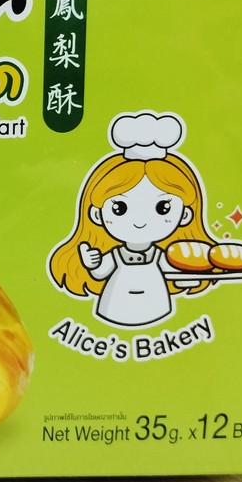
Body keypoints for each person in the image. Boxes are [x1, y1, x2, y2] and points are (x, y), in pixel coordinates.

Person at [48, 112, 215, 328]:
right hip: (115, 307)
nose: (140, 222)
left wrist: (189, 276)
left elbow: (175, 274)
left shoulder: (163, 256)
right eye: (119, 208)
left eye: (163, 208)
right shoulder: (116, 255)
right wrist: (92, 263)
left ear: (185, 215)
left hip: (156, 309)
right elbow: (100, 272)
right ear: (97, 214)